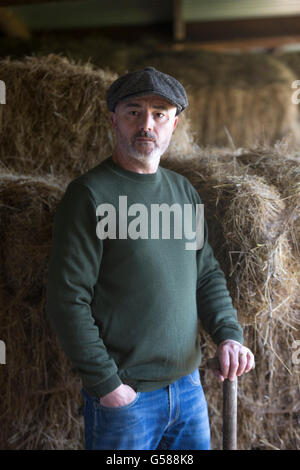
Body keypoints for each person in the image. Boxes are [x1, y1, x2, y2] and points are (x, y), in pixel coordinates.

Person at [45, 66, 254, 450]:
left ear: (173, 124)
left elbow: (205, 274)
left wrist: (227, 334)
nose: (147, 124)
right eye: (133, 112)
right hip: (128, 398)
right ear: (114, 120)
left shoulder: (183, 192)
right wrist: (108, 385)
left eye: (159, 114)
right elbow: (66, 298)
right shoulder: (90, 196)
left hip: (189, 389)